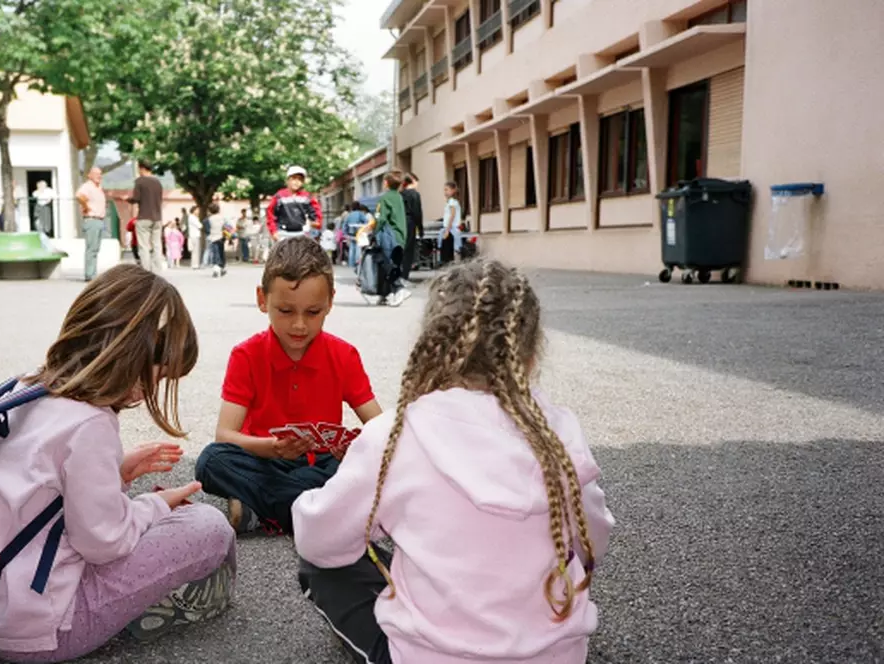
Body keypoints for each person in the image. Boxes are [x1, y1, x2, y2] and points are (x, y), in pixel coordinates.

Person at [292, 260, 615, 664]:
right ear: (531, 356)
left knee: (323, 564)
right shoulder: (559, 432)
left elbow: (318, 540)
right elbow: (591, 543)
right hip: (554, 658)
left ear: (432, 346)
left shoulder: (395, 434)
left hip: (426, 657)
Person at [0, 264, 236, 662]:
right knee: (209, 527)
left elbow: (30, 492)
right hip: (39, 629)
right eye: (155, 376)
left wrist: (116, 472)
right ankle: (169, 602)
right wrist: (158, 505)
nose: (147, 392)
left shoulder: (20, 389)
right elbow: (104, 542)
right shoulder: (91, 423)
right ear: (130, 354)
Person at [194, 237, 384, 535]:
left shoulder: (344, 355)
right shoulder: (246, 355)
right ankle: (318, 510)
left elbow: (381, 428)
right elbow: (225, 435)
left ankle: (267, 508)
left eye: (312, 312)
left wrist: (356, 449)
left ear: (330, 302)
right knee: (211, 461)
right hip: (265, 460)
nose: (299, 325)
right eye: (285, 311)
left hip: (322, 464)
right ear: (262, 299)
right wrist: (270, 448)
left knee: (370, 466)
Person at [365, 171, 411, 307]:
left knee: (387, 263)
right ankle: (384, 294)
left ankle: (399, 289)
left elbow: (381, 218)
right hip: (400, 235)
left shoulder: (385, 199)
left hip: (389, 236)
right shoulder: (399, 197)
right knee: (391, 262)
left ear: (385, 183)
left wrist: (374, 233)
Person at [265, 166, 322, 242]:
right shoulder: (279, 196)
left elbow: (316, 213)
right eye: (294, 178)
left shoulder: (306, 197)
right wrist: (274, 232)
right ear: (288, 180)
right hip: (282, 234)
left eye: (300, 179)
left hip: (302, 233)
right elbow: (270, 215)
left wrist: (316, 222)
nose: (296, 182)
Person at [128, 162, 165, 273]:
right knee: (157, 245)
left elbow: (136, 198)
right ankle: (157, 271)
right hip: (157, 218)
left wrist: (127, 199)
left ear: (142, 168)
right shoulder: (158, 182)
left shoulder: (140, 181)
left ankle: (146, 271)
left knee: (143, 246)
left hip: (144, 216)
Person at [75, 167, 107, 282]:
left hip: (99, 219)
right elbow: (79, 196)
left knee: (95, 248)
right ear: (90, 175)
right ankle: (89, 274)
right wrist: (86, 206)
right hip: (91, 219)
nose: (99, 176)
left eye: (100, 174)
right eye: (96, 174)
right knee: (91, 248)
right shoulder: (87, 186)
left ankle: (92, 272)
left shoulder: (98, 187)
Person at [400, 173, 423, 283]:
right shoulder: (415, 195)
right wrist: (420, 228)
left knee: (400, 249)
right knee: (409, 250)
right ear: (413, 181)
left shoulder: (400, 194)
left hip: (400, 222)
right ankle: (405, 276)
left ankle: (397, 274)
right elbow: (417, 212)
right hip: (410, 223)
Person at [440, 182, 463, 267]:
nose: (445, 192)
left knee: (447, 253)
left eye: (447, 190)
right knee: (446, 252)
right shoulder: (450, 202)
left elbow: (452, 216)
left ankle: (448, 268)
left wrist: (447, 230)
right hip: (448, 229)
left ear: (453, 191)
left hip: (451, 230)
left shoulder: (453, 202)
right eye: (444, 190)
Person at [342, 203, 369, 269]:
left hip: (350, 234)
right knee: (358, 249)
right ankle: (357, 263)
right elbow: (366, 222)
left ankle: (351, 263)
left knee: (351, 249)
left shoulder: (349, 215)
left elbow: (345, 225)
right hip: (359, 233)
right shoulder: (360, 214)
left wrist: (345, 234)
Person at [207, 202, 227, 278]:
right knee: (221, 253)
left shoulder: (209, 219)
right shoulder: (222, 217)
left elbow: (207, 228)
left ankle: (216, 269)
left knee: (215, 254)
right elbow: (226, 226)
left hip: (213, 238)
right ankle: (222, 268)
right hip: (221, 237)